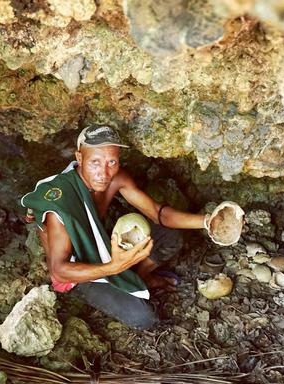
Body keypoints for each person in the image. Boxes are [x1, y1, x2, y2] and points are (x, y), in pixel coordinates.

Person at [21, 124, 212, 330]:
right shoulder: (61, 203)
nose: (104, 172)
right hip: (78, 274)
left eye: (111, 161)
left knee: (171, 237)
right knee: (145, 319)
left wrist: (208, 222)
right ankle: (129, 280)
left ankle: (136, 278)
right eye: (95, 162)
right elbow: (59, 271)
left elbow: (158, 213)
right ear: (79, 158)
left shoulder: (116, 178)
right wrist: (114, 268)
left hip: (104, 250)